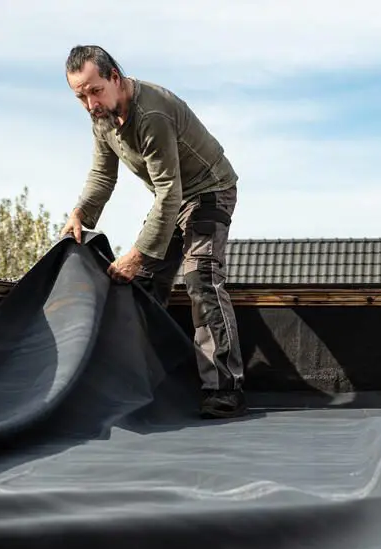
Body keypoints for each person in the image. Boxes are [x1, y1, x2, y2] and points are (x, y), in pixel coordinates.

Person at [60, 45, 246, 419]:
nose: (90, 103)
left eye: (95, 91)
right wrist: (80, 214)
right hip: (173, 198)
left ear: (115, 77)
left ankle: (225, 388)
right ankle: (147, 381)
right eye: (80, 96)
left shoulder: (151, 114)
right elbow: (102, 175)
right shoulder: (102, 117)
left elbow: (169, 191)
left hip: (209, 190)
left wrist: (137, 254)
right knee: (142, 283)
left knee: (200, 276)